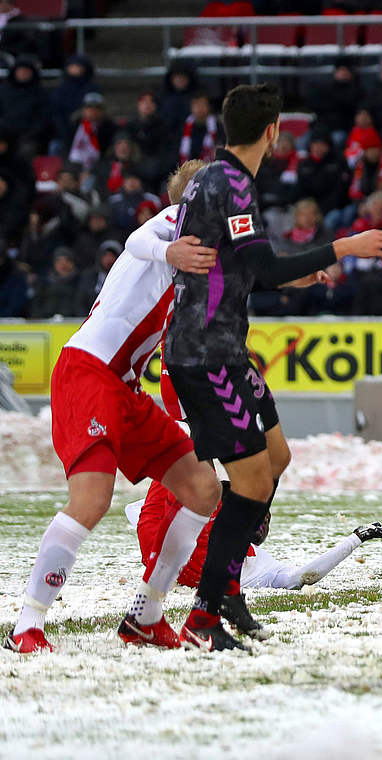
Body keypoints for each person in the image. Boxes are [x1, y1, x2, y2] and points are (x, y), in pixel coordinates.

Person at [161, 83, 382, 651]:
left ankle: (221, 595)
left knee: (274, 461)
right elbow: (261, 269)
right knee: (252, 481)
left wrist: (297, 273)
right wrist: (346, 246)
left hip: (219, 346)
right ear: (272, 132)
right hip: (207, 351)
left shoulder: (211, 180)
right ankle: (209, 607)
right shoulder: (234, 184)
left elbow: (241, 267)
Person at [5, 160, 226, 654]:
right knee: (91, 501)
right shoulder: (175, 223)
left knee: (202, 489)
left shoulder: (205, 253)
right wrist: (170, 248)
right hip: (89, 372)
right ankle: (27, 624)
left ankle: (146, 617)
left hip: (124, 386)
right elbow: (136, 241)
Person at [124, 494, 382, 592]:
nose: (262, 524)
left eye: (264, 520)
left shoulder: (263, 566)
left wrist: (356, 538)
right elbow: (136, 514)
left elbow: (305, 576)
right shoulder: (213, 515)